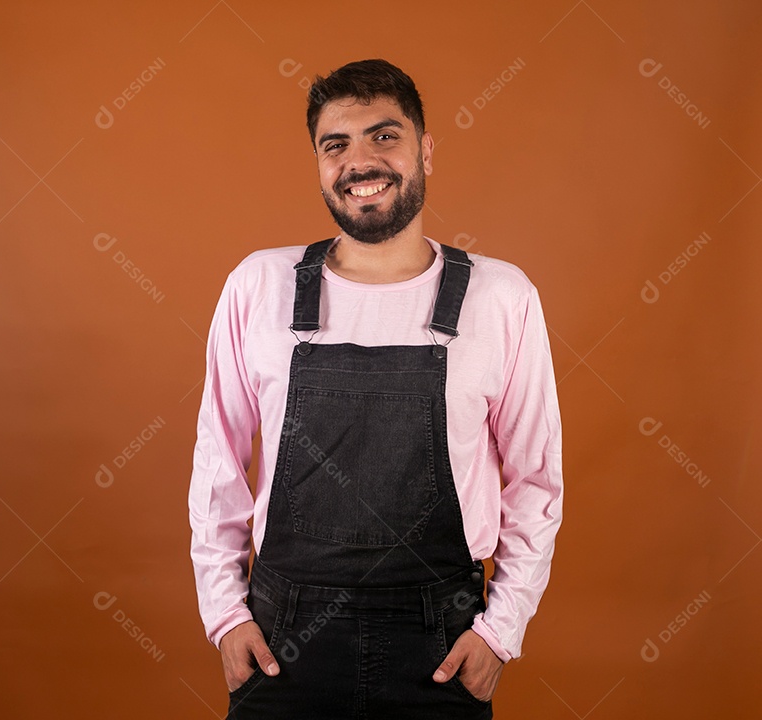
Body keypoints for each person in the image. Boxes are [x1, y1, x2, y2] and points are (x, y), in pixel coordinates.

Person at [188, 58, 563, 719]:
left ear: (425, 149)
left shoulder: (501, 297)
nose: (360, 161)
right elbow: (218, 458)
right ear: (318, 162)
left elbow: (536, 481)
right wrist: (224, 612)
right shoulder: (259, 286)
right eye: (336, 144)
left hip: (441, 647)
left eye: (384, 136)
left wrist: (501, 632)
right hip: (282, 641)